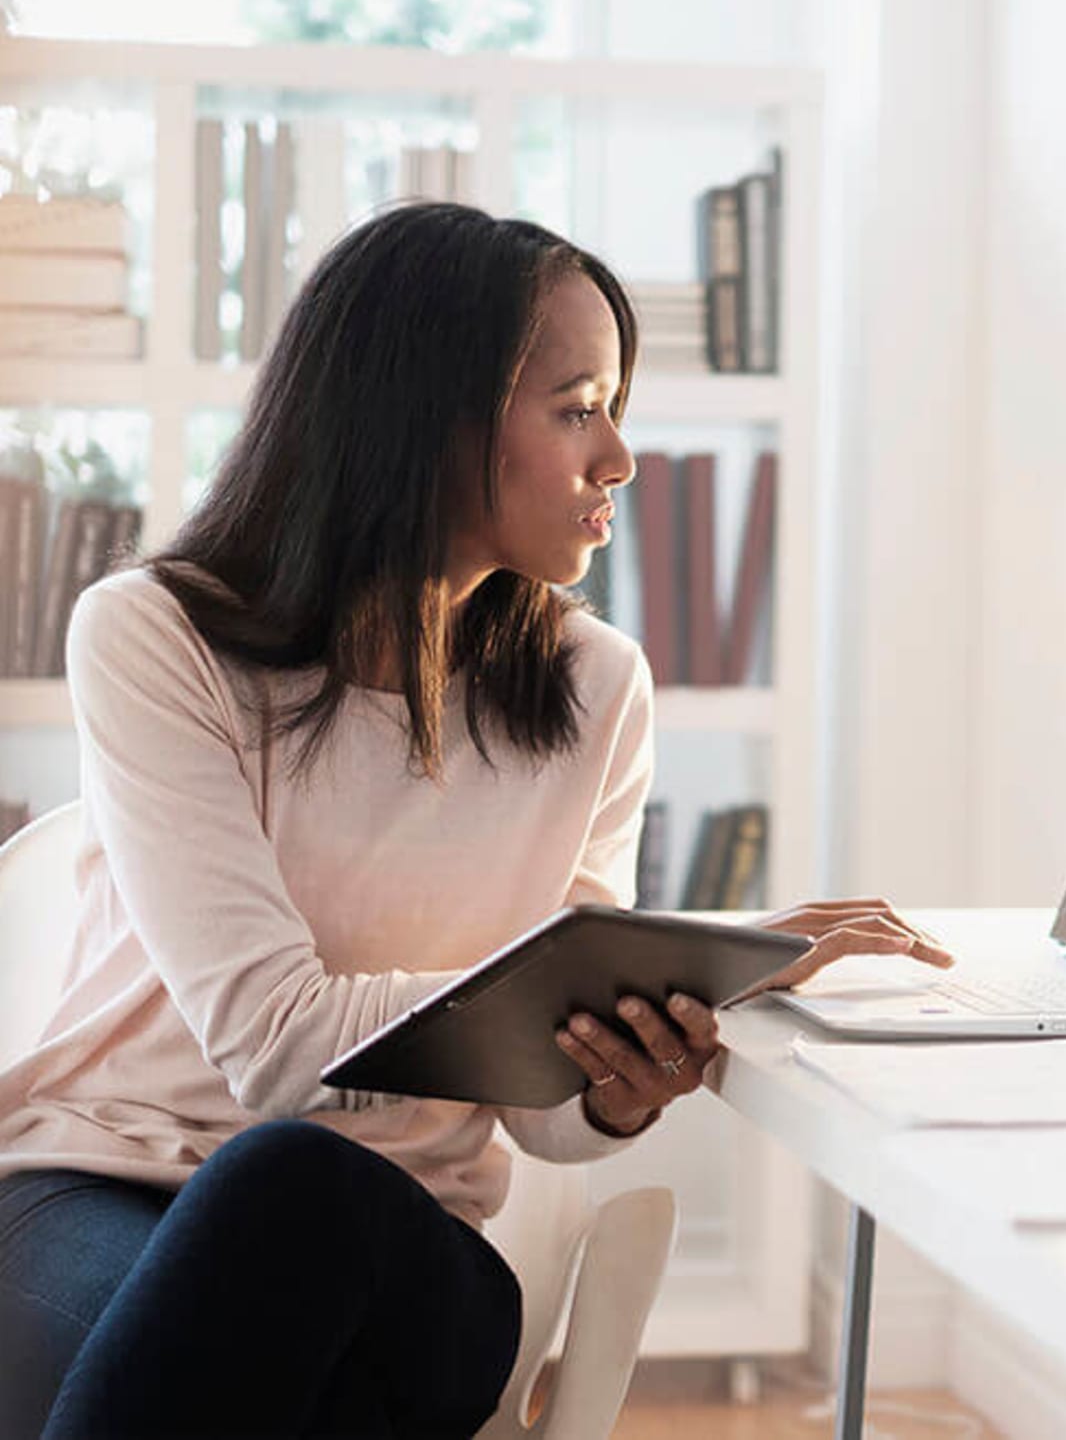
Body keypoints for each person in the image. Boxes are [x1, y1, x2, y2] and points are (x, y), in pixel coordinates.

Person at [0, 201, 952, 1439]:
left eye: (615, 405)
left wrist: (618, 1075)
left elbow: (543, 1118)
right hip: (99, 1185)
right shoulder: (156, 634)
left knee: (293, 1212)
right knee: (278, 1283)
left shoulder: (597, 687)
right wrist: (547, 999)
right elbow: (277, 1046)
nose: (617, 456)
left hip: (408, 1237)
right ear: (426, 418)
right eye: (575, 407)